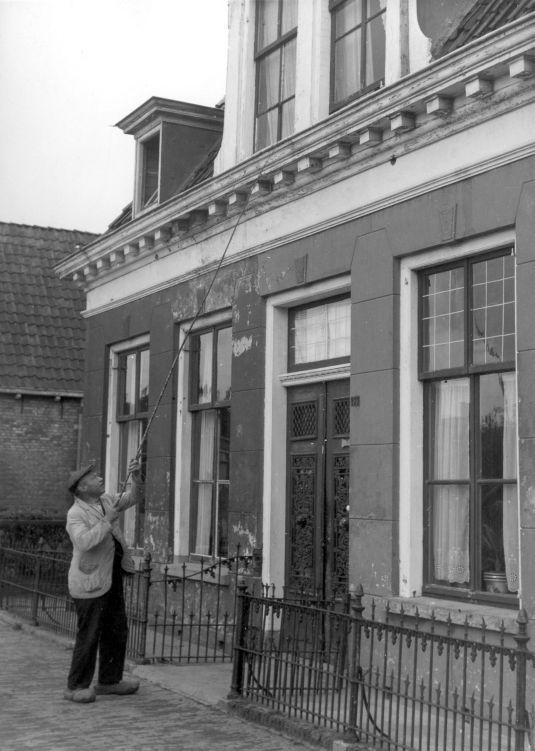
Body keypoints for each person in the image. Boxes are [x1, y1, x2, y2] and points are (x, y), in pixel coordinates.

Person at [63, 459, 143, 703]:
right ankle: (75, 686)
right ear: (82, 488)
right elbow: (84, 542)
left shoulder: (106, 500)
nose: (100, 478)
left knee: (116, 630)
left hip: (112, 576)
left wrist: (136, 477)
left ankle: (109, 681)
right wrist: (107, 520)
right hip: (90, 582)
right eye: (94, 477)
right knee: (90, 634)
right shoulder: (75, 514)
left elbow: (132, 498)